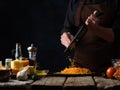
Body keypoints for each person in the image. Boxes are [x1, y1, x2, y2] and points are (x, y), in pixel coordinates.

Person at [60, 0, 120, 73]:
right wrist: (65, 35)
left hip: (110, 69)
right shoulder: (74, 1)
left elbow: (117, 35)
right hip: (79, 68)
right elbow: (67, 27)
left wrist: (97, 29)